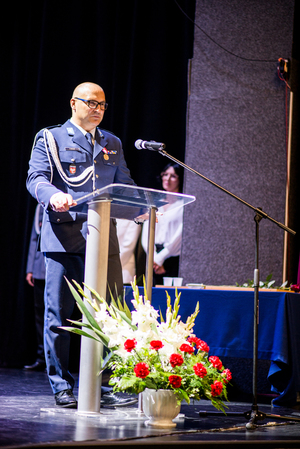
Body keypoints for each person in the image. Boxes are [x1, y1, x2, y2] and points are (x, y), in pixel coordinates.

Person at [26, 82, 139, 409]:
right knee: (60, 317)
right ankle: (62, 384)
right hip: (65, 236)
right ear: (74, 103)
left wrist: (142, 207)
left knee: (112, 315)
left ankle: (105, 384)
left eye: (102, 105)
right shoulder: (52, 138)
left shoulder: (112, 143)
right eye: (91, 103)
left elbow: (125, 184)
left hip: (104, 238)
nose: (97, 109)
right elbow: (36, 179)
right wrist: (54, 196)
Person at [141, 162, 184, 286]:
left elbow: (179, 236)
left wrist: (161, 258)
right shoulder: (156, 203)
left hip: (172, 257)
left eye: (173, 176)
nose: (168, 179)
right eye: (165, 175)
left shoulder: (182, 205)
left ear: (180, 179)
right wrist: (154, 257)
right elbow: (146, 233)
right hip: (153, 257)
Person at [24, 203, 46, 372]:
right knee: (40, 314)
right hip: (39, 268)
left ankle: (56, 359)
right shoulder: (40, 206)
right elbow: (34, 237)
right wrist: (30, 268)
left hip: (60, 266)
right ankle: (41, 357)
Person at [116, 219, 141, 284]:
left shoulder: (133, 218)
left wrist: (113, 263)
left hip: (124, 267)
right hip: (104, 269)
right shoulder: (109, 215)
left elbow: (129, 245)